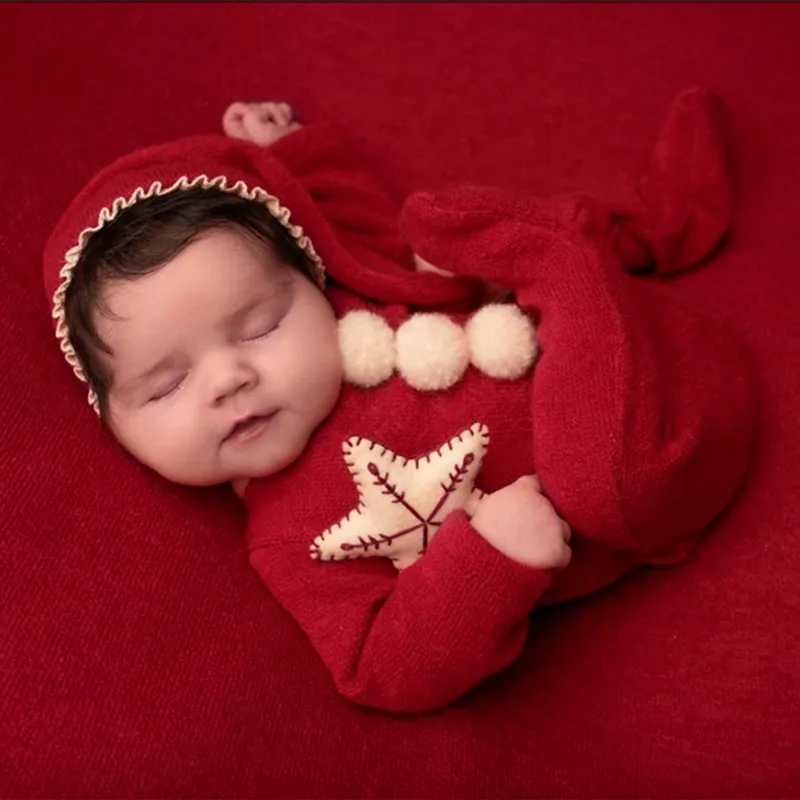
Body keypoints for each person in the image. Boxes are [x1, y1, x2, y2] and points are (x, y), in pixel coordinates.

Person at [42, 89, 757, 713]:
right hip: (663, 452)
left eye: (262, 325)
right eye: (167, 385)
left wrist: (289, 149)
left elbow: (347, 211)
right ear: (110, 419)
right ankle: (560, 257)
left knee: (431, 238)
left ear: (315, 281)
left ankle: (639, 230)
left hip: (633, 341)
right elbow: (379, 668)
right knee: (604, 485)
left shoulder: (358, 292)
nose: (229, 379)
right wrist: (491, 562)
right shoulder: (295, 534)